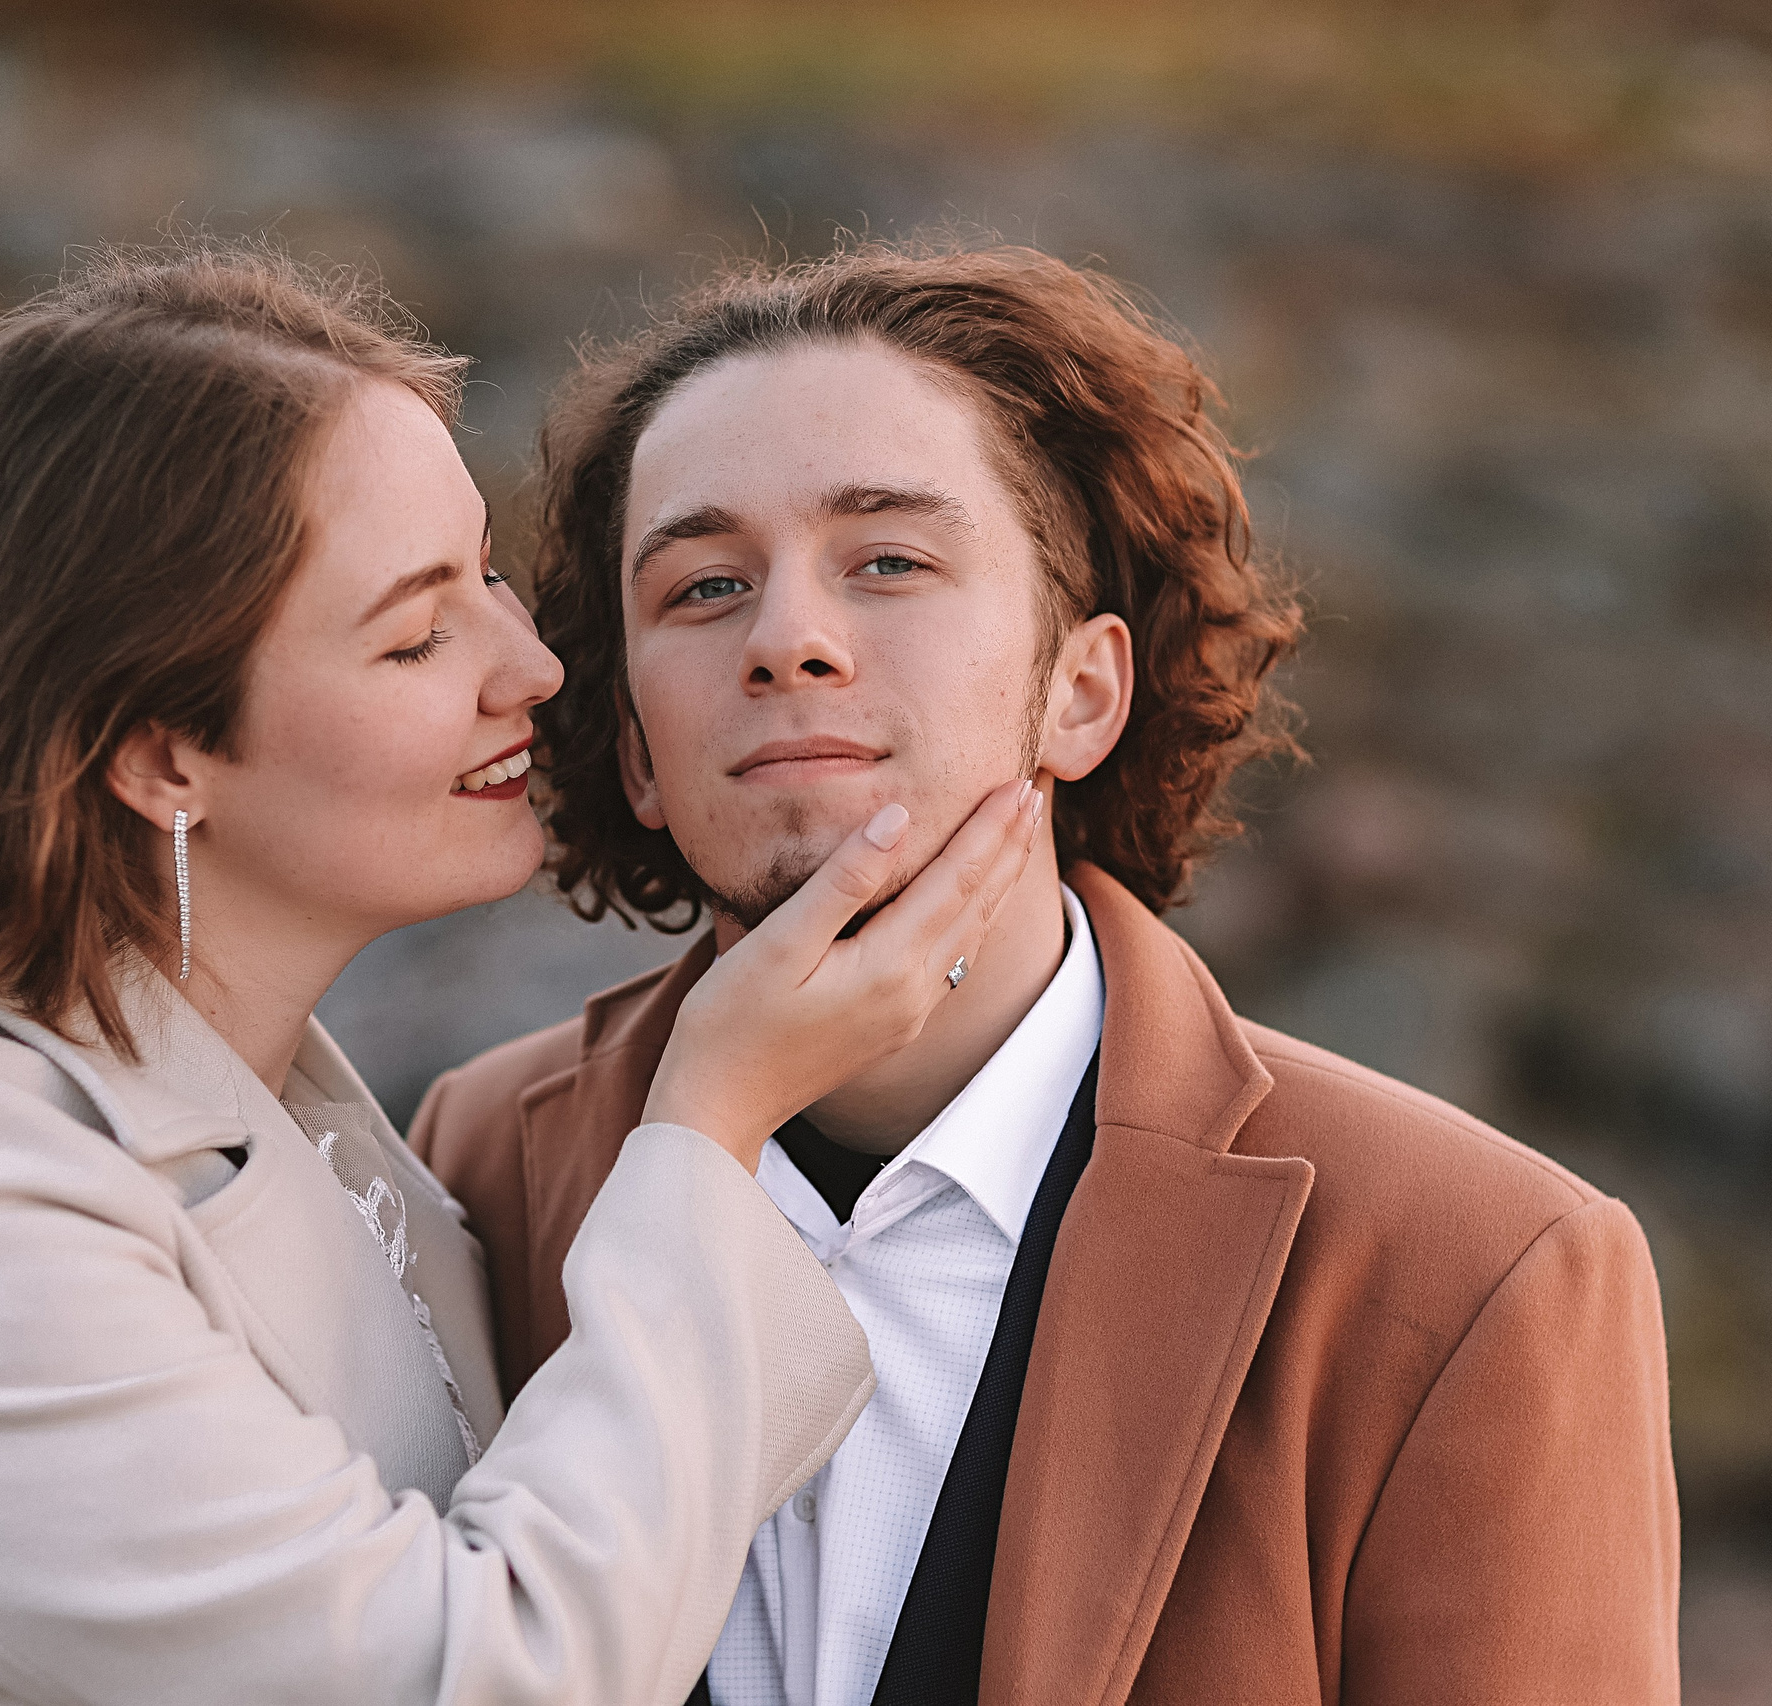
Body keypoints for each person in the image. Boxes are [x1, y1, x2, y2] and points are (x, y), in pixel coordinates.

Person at [0, 246, 1050, 1706]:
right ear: (163, 753)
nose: (530, 667)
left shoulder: (343, 1151)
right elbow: (487, 1676)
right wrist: (713, 1115)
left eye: (489, 575)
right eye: (415, 635)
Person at [410, 241, 1683, 1706]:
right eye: (702, 588)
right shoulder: (477, 1170)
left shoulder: (1477, 1269)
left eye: (888, 560)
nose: (788, 640)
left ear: (1081, 690)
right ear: (635, 748)